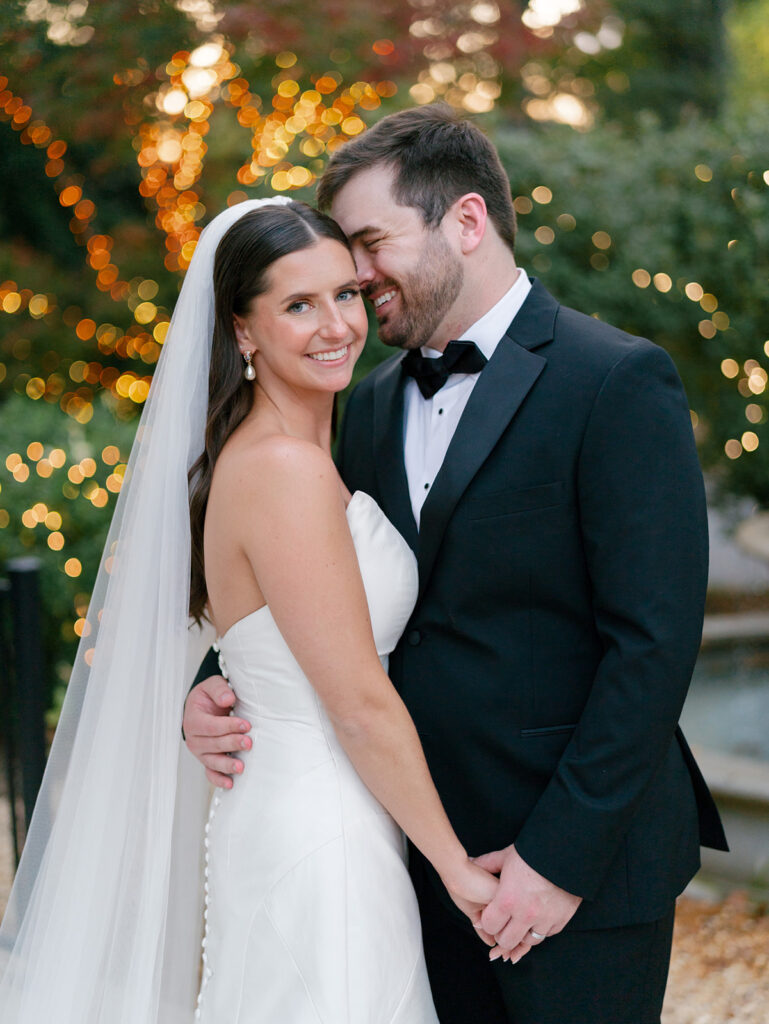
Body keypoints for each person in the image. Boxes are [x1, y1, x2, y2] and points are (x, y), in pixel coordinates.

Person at [184, 105, 728, 1024]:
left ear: (466, 222)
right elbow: (317, 589)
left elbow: (652, 646)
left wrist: (557, 862)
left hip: (576, 874)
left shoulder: (615, 380)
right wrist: (218, 682)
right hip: (405, 852)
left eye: (368, 243)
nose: (354, 276)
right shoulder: (363, 404)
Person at [0, 196, 496, 1023]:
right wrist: (457, 870)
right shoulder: (282, 471)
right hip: (320, 833)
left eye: (344, 293)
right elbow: (359, 704)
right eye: (297, 305)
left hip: (308, 814)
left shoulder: (297, 454)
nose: (336, 324)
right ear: (241, 331)